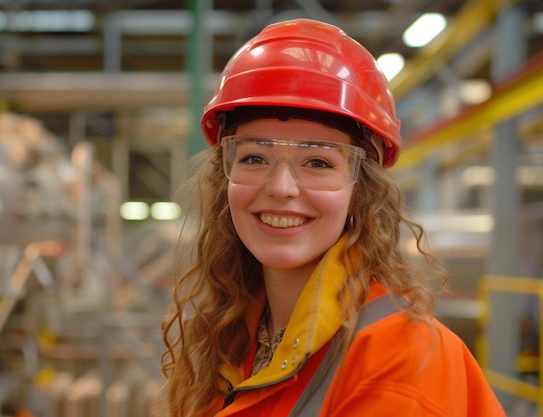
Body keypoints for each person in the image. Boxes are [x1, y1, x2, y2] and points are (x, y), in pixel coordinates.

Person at [152, 18, 506, 417]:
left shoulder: (399, 362)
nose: (281, 187)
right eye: (254, 157)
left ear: (362, 191)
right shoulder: (235, 337)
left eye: (318, 161)